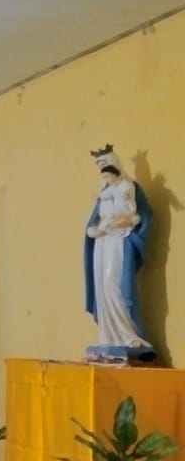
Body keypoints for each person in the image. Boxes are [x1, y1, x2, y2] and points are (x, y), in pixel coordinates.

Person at [84, 145, 156, 361]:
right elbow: (93, 224)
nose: (101, 169)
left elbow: (141, 216)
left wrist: (126, 222)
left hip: (118, 241)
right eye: (98, 166)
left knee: (114, 283)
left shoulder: (128, 187)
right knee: (102, 288)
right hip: (102, 244)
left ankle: (128, 334)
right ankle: (108, 336)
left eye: (104, 164)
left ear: (114, 164)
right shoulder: (103, 193)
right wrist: (95, 231)